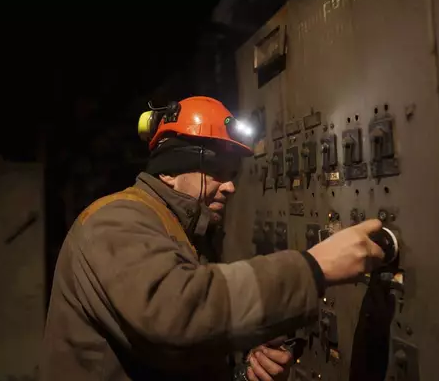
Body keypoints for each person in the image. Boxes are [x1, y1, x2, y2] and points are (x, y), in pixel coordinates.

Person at [40, 96, 385, 381]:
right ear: (169, 172)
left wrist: (241, 373)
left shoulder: (186, 231)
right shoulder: (116, 220)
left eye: (233, 174)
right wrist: (314, 269)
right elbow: (176, 314)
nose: (231, 185)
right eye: (217, 171)